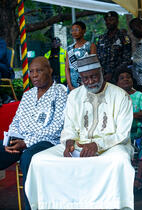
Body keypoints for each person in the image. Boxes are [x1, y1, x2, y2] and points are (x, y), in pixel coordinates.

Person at [25, 54, 134, 209]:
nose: (90, 82)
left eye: (94, 77)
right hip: (79, 145)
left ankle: (115, 205)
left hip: (112, 146)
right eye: (85, 79)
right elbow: (68, 127)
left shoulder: (121, 95)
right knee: (38, 160)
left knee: (120, 160)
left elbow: (122, 134)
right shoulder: (74, 95)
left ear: (101, 72)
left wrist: (97, 145)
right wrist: (69, 141)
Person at [0, 56, 67, 210]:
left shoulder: (60, 92)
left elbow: (57, 127)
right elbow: (16, 121)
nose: (34, 75)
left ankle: (30, 207)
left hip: (48, 142)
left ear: (50, 71)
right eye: (31, 71)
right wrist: (11, 139)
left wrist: (27, 142)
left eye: (39, 71)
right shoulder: (28, 95)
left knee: (28, 156)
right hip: (21, 140)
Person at [116, 68, 142, 192]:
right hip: (119, 134)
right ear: (117, 83)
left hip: (137, 133)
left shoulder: (139, 95)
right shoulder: (115, 96)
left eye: (128, 77)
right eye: (122, 78)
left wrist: (129, 115)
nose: (125, 79)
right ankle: (122, 181)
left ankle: (139, 179)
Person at [97, 11, 132, 83]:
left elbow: (126, 59)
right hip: (103, 76)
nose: (108, 22)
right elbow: (98, 57)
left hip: (118, 77)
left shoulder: (124, 37)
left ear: (117, 21)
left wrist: (113, 73)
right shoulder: (101, 38)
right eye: (106, 20)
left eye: (111, 20)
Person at [65, 21, 96, 91]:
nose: (74, 32)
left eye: (77, 30)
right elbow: (67, 68)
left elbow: (93, 67)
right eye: (72, 30)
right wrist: (69, 85)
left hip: (87, 83)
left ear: (83, 31)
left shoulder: (90, 46)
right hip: (72, 85)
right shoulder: (69, 49)